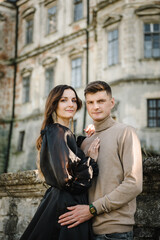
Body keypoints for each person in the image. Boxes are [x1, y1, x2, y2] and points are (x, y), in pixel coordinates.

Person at [58, 81, 143, 240]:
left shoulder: (126, 133)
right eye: (91, 102)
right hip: (84, 231)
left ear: (112, 103)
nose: (96, 107)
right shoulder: (85, 142)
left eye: (101, 101)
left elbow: (134, 184)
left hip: (115, 231)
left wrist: (92, 209)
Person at [20, 84, 100, 240]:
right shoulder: (57, 131)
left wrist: (88, 137)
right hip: (68, 206)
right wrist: (90, 160)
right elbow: (66, 180)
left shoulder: (62, 132)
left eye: (74, 100)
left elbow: (70, 159)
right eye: (64, 100)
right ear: (54, 104)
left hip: (64, 203)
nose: (70, 104)